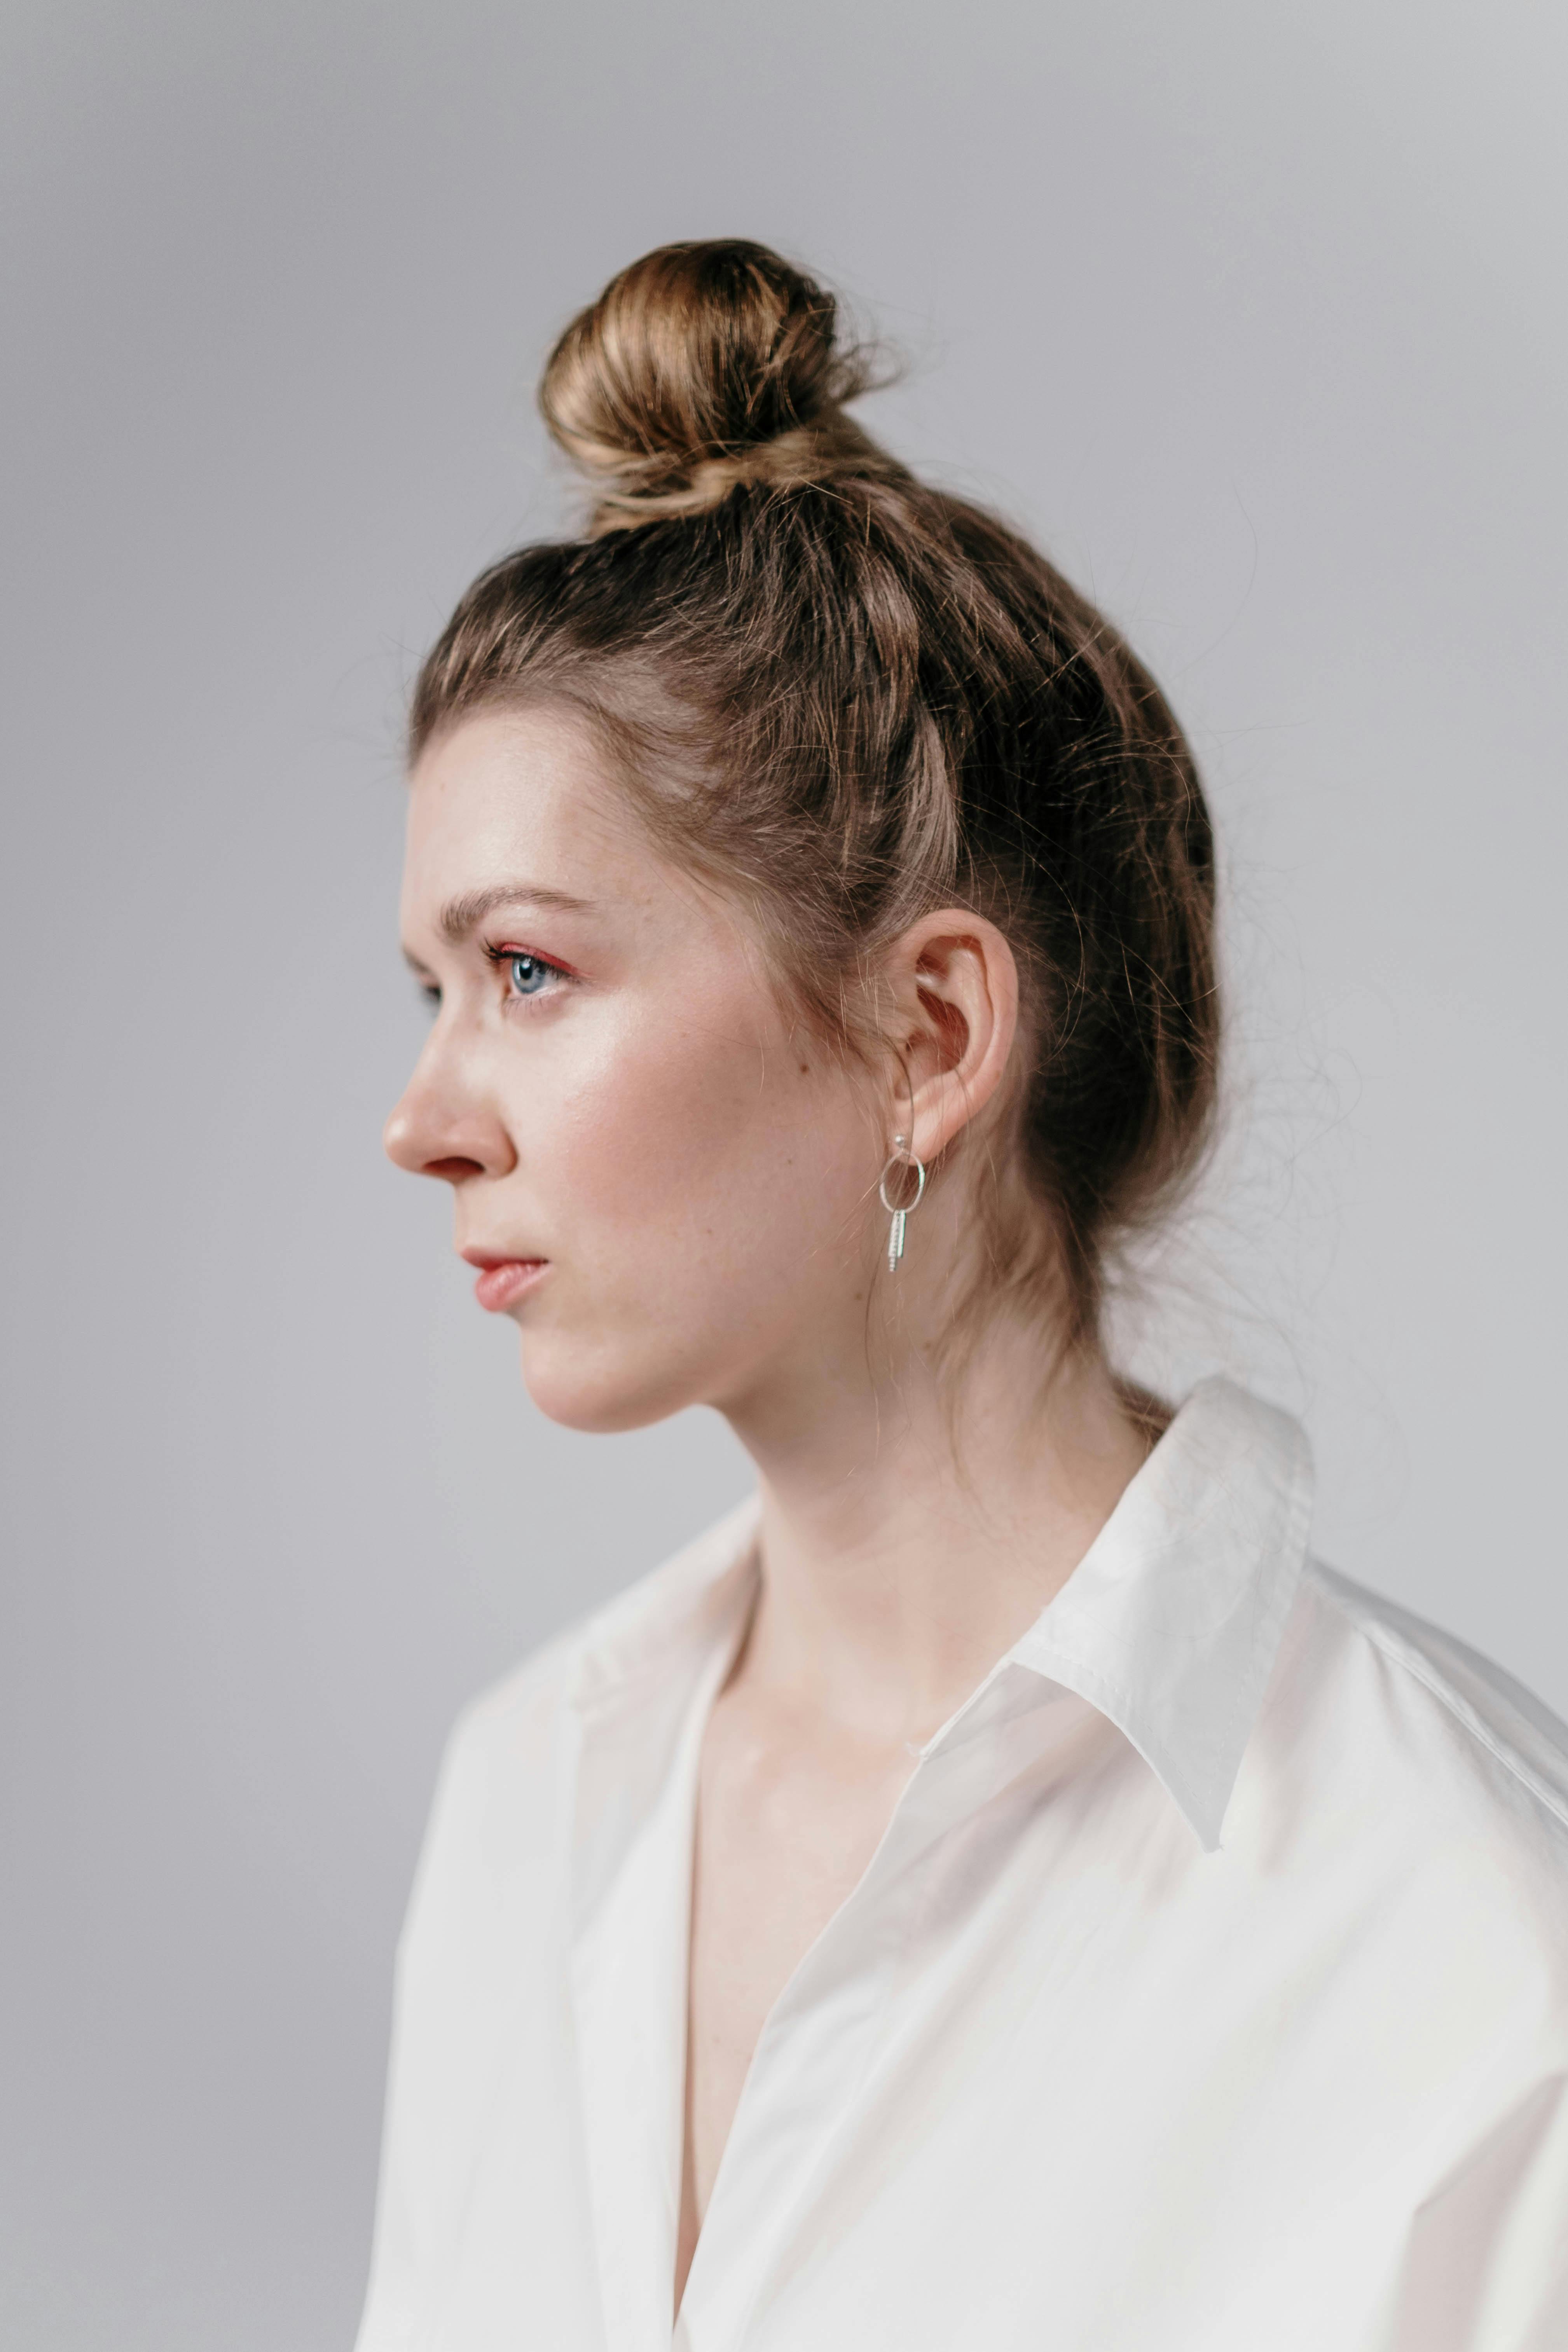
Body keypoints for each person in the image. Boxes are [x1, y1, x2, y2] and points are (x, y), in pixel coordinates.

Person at [356, 241, 1568, 2352]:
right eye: (435, 988)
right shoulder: (523, 1802)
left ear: (926, 1035)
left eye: (529, 970)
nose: (425, 1116)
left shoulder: (1471, 1942)